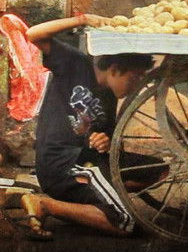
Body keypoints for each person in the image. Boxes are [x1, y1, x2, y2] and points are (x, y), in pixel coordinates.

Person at [18, 13, 157, 240]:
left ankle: (93, 199)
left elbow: (106, 140)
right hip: (61, 164)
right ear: (114, 69)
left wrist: (105, 142)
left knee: (159, 170)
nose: (136, 85)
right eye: (134, 78)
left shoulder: (110, 95)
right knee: (126, 223)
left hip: (90, 160)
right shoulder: (75, 63)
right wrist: (83, 19)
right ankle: (45, 204)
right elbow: (33, 34)